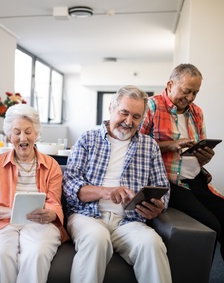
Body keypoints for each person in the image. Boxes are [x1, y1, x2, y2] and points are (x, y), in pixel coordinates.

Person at [140, 63, 224, 282]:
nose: (191, 97)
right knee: (211, 225)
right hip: (170, 181)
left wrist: (204, 155)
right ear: (170, 84)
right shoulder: (151, 107)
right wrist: (170, 145)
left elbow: (198, 148)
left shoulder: (197, 112)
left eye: (195, 92)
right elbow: (136, 146)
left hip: (196, 179)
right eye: (186, 91)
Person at [63, 85, 172, 283]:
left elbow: (163, 188)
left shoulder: (149, 146)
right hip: (87, 217)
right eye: (124, 113)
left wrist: (158, 206)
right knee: (97, 238)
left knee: (152, 243)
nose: (129, 121)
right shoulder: (88, 139)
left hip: (129, 221)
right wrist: (106, 192)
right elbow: (70, 185)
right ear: (111, 109)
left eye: (136, 117)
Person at [0, 104, 69, 283]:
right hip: (3, 223)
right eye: (17, 132)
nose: (23, 138)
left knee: (36, 253)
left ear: (36, 134)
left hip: (39, 223)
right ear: (9, 136)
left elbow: (54, 203)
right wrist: (12, 212)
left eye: (28, 131)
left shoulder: (52, 166)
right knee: (0, 254)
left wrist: (49, 213)